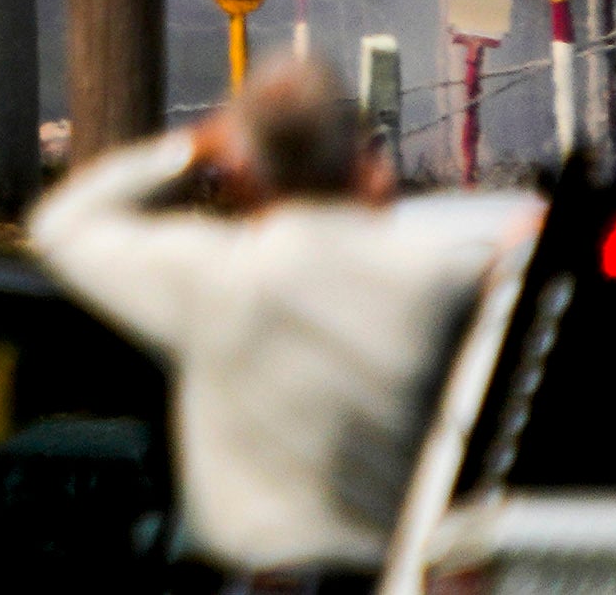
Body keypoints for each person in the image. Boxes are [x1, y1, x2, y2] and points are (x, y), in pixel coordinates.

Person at [25, 58, 493, 593]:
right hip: (394, 576)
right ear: (357, 160)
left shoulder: (209, 274)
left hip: (255, 580)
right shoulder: (431, 272)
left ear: (242, 169)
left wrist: (194, 145)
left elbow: (62, 225)